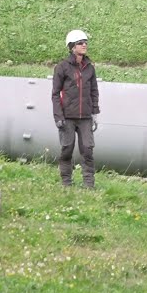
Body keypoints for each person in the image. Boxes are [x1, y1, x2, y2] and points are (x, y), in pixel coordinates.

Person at [52, 29, 100, 188]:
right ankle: (66, 183)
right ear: (72, 47)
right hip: (67, 117)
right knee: (67, 149)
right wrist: (58, 117)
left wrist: (95, 113)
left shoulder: (90, 68)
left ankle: (89, 185)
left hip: (85, 117)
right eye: (80, 43)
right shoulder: (62, 67)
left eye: (85, 42)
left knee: (87, 150)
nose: (84, 45)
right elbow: (55, 94)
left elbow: (94, 91)